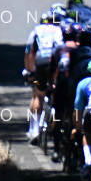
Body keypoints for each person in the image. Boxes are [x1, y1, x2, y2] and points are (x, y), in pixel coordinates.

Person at [25, 13, 65, 143]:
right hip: (54, 59)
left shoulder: (36, 30)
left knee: (38, 95)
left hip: (40, 59)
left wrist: (30, 71)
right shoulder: (58, 30)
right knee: (56, 89)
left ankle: (35, 130)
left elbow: (29, 52)